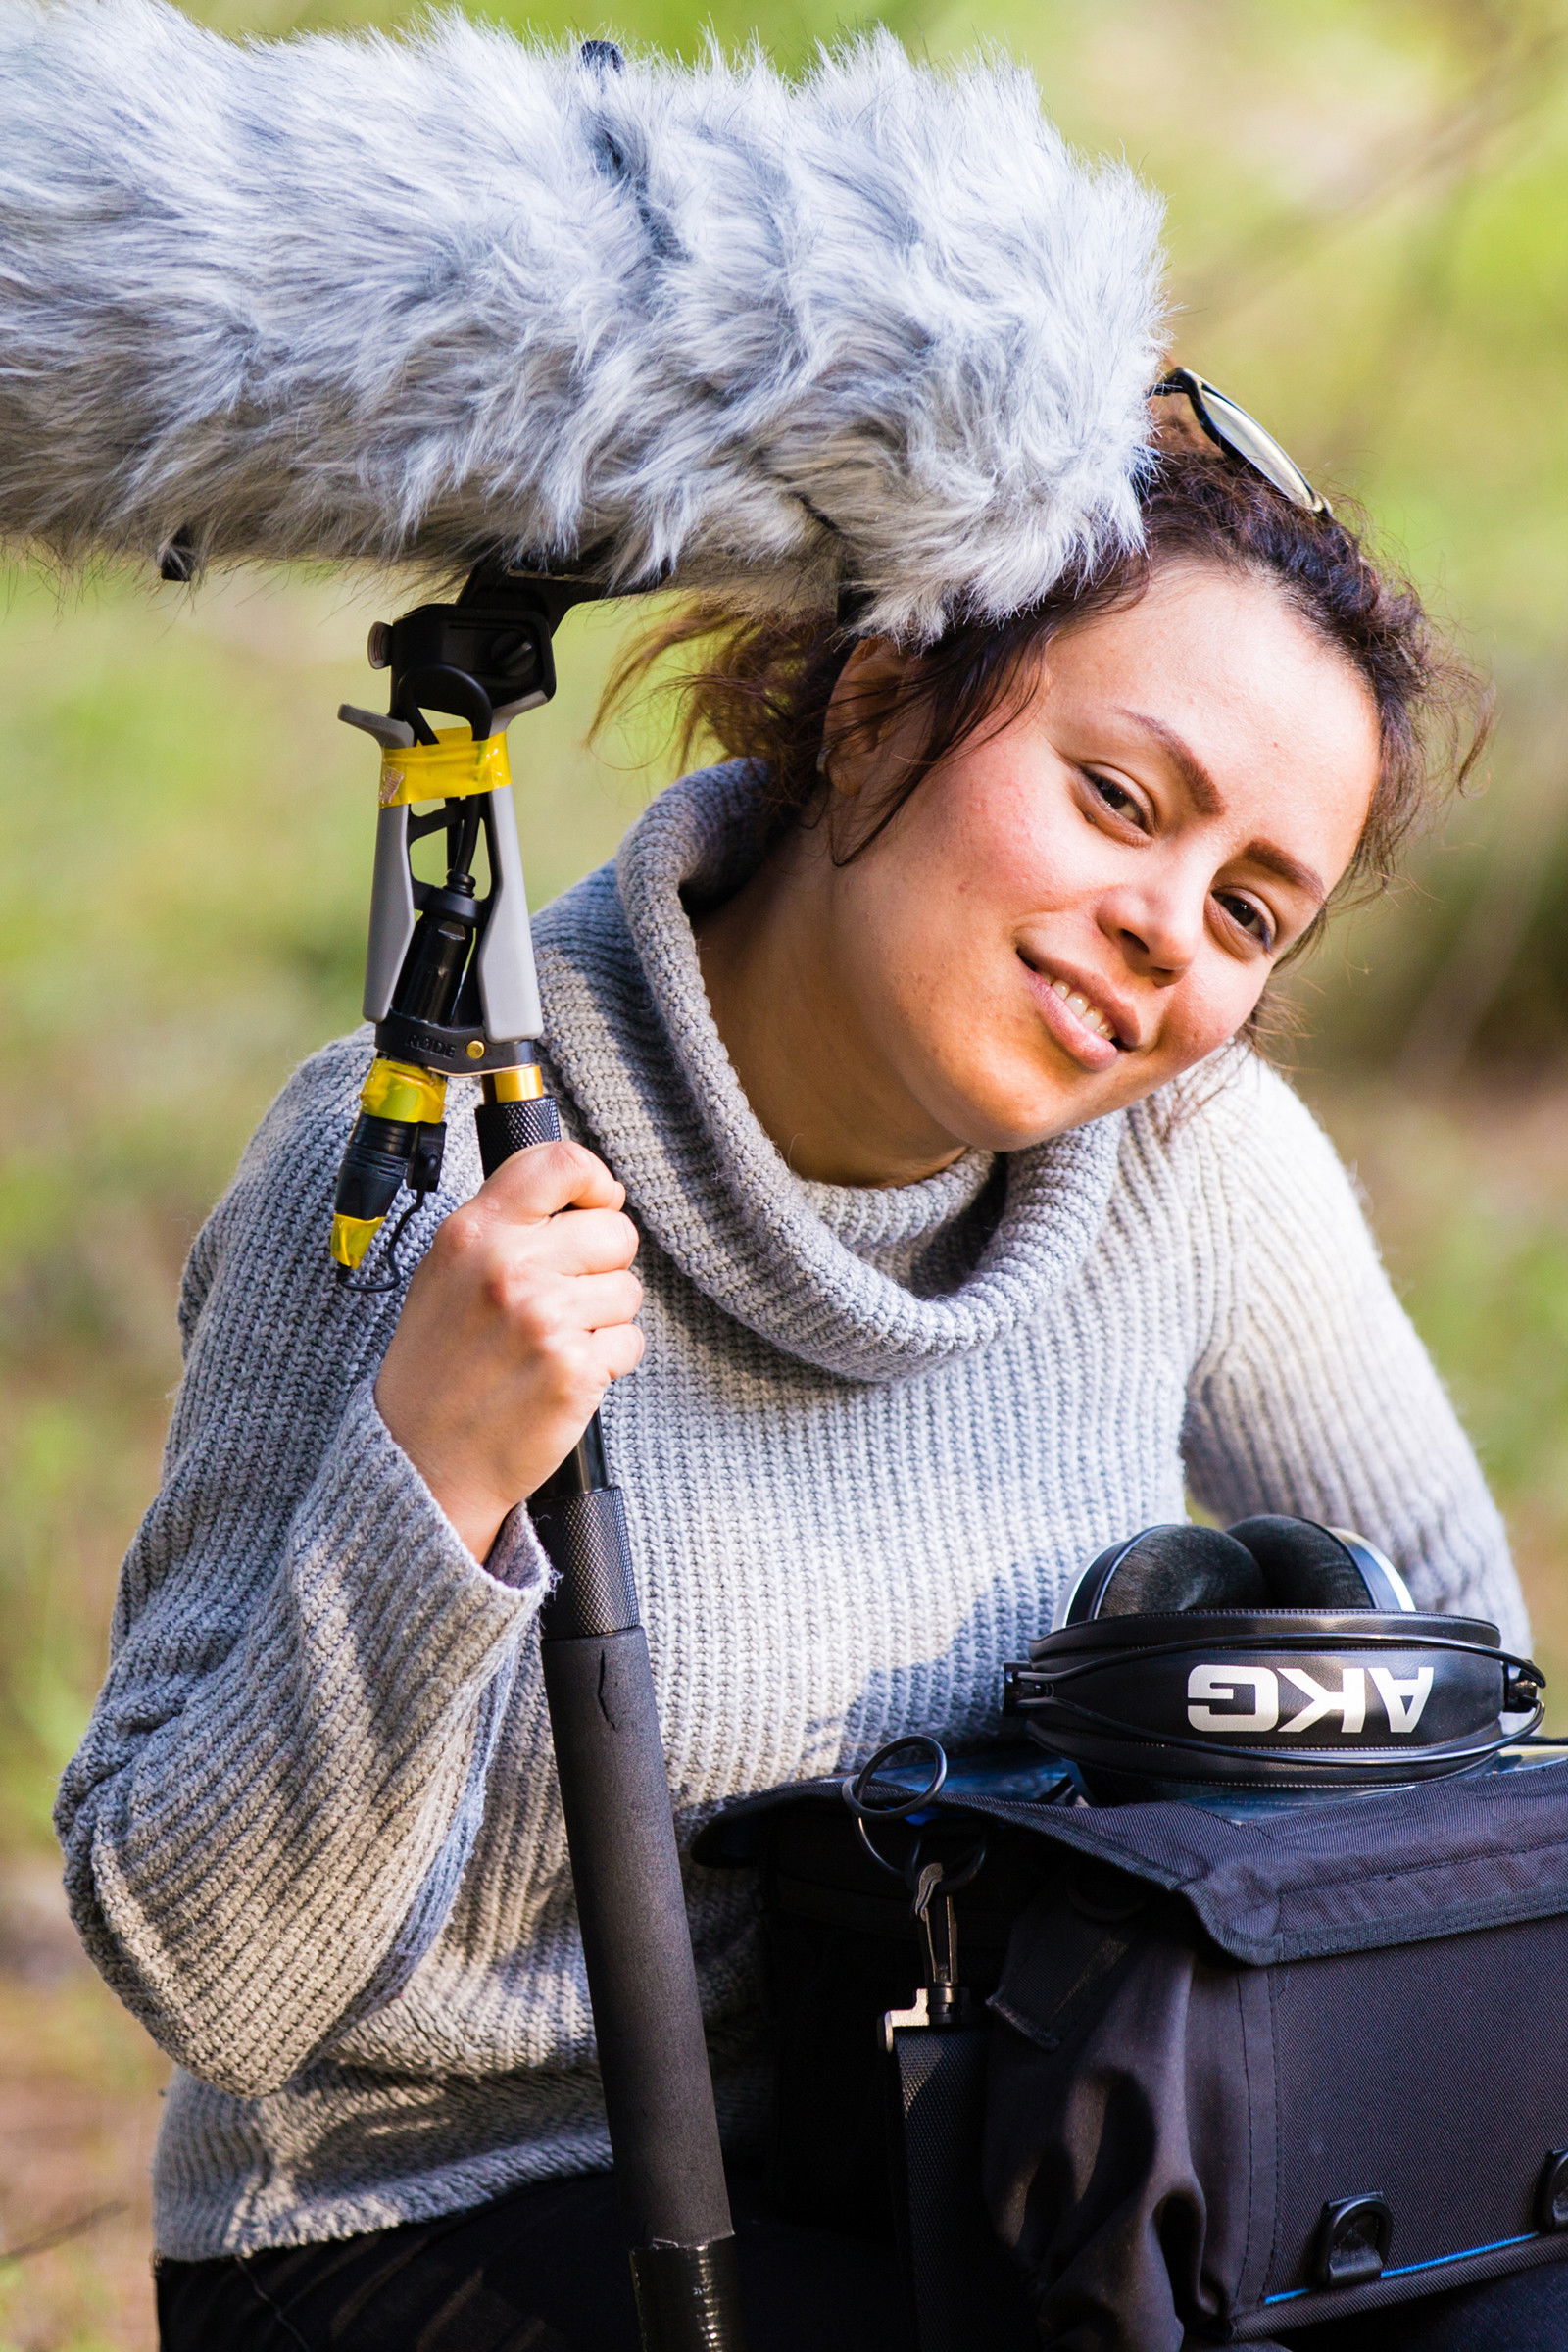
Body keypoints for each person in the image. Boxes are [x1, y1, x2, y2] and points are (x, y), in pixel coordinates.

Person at [57, 386, 1557, 2352]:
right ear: (874, 710)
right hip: (444, 2212)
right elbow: (214, 1986)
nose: (1159, 937)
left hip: (1002, 2148)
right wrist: (430, 1477)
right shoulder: (438, 1155)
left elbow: (1457, 1688)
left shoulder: (1193, 1161)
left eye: (1246, 909)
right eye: (1119, 798)